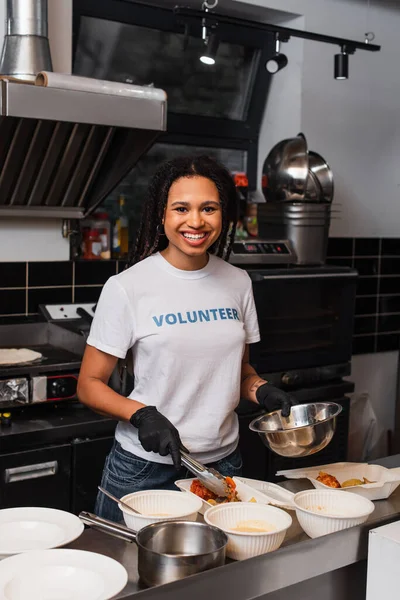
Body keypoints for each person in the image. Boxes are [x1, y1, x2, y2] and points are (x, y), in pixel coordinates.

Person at [77, 155, 296, 522]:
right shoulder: (128, 287)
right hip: (145, 469)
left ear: (222, 214)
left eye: (208, 208)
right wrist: (141, 414)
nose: (195, 221)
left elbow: (237, 371)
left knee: (215, 572)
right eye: (181, 208)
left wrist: (260, 389)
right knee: (131, 571)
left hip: (223, 464)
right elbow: (89, 384)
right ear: (161, 216)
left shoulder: (237, 283)